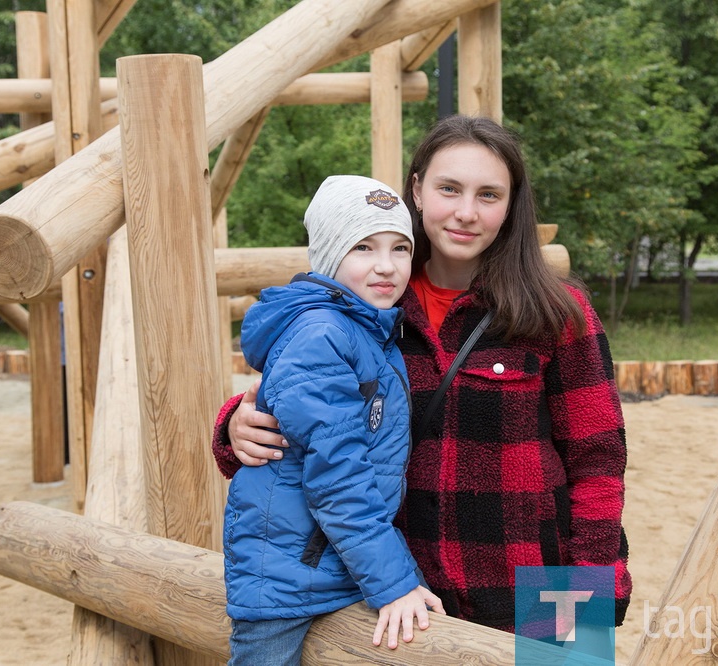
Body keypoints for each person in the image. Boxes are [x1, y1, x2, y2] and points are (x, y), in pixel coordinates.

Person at [213, 116, 632, 651]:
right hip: (401, 594)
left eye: (489, 195)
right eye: (449, 189)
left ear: (511, 205)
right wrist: (234, 429)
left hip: (536, 582)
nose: (466, 212)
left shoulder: (558, 313)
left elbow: (599, 463)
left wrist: (586, 601)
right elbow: (304, 409)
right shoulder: (368, 304)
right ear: (416, 189)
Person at [223, 174, 445, 665]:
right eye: (363, 247)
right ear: (327, 253)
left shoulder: (366, 327)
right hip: (294, 576)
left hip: (329, 565)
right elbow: (337, 473)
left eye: (400, 248)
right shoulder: (327, 333)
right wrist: (393, 582)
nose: (386, 266)